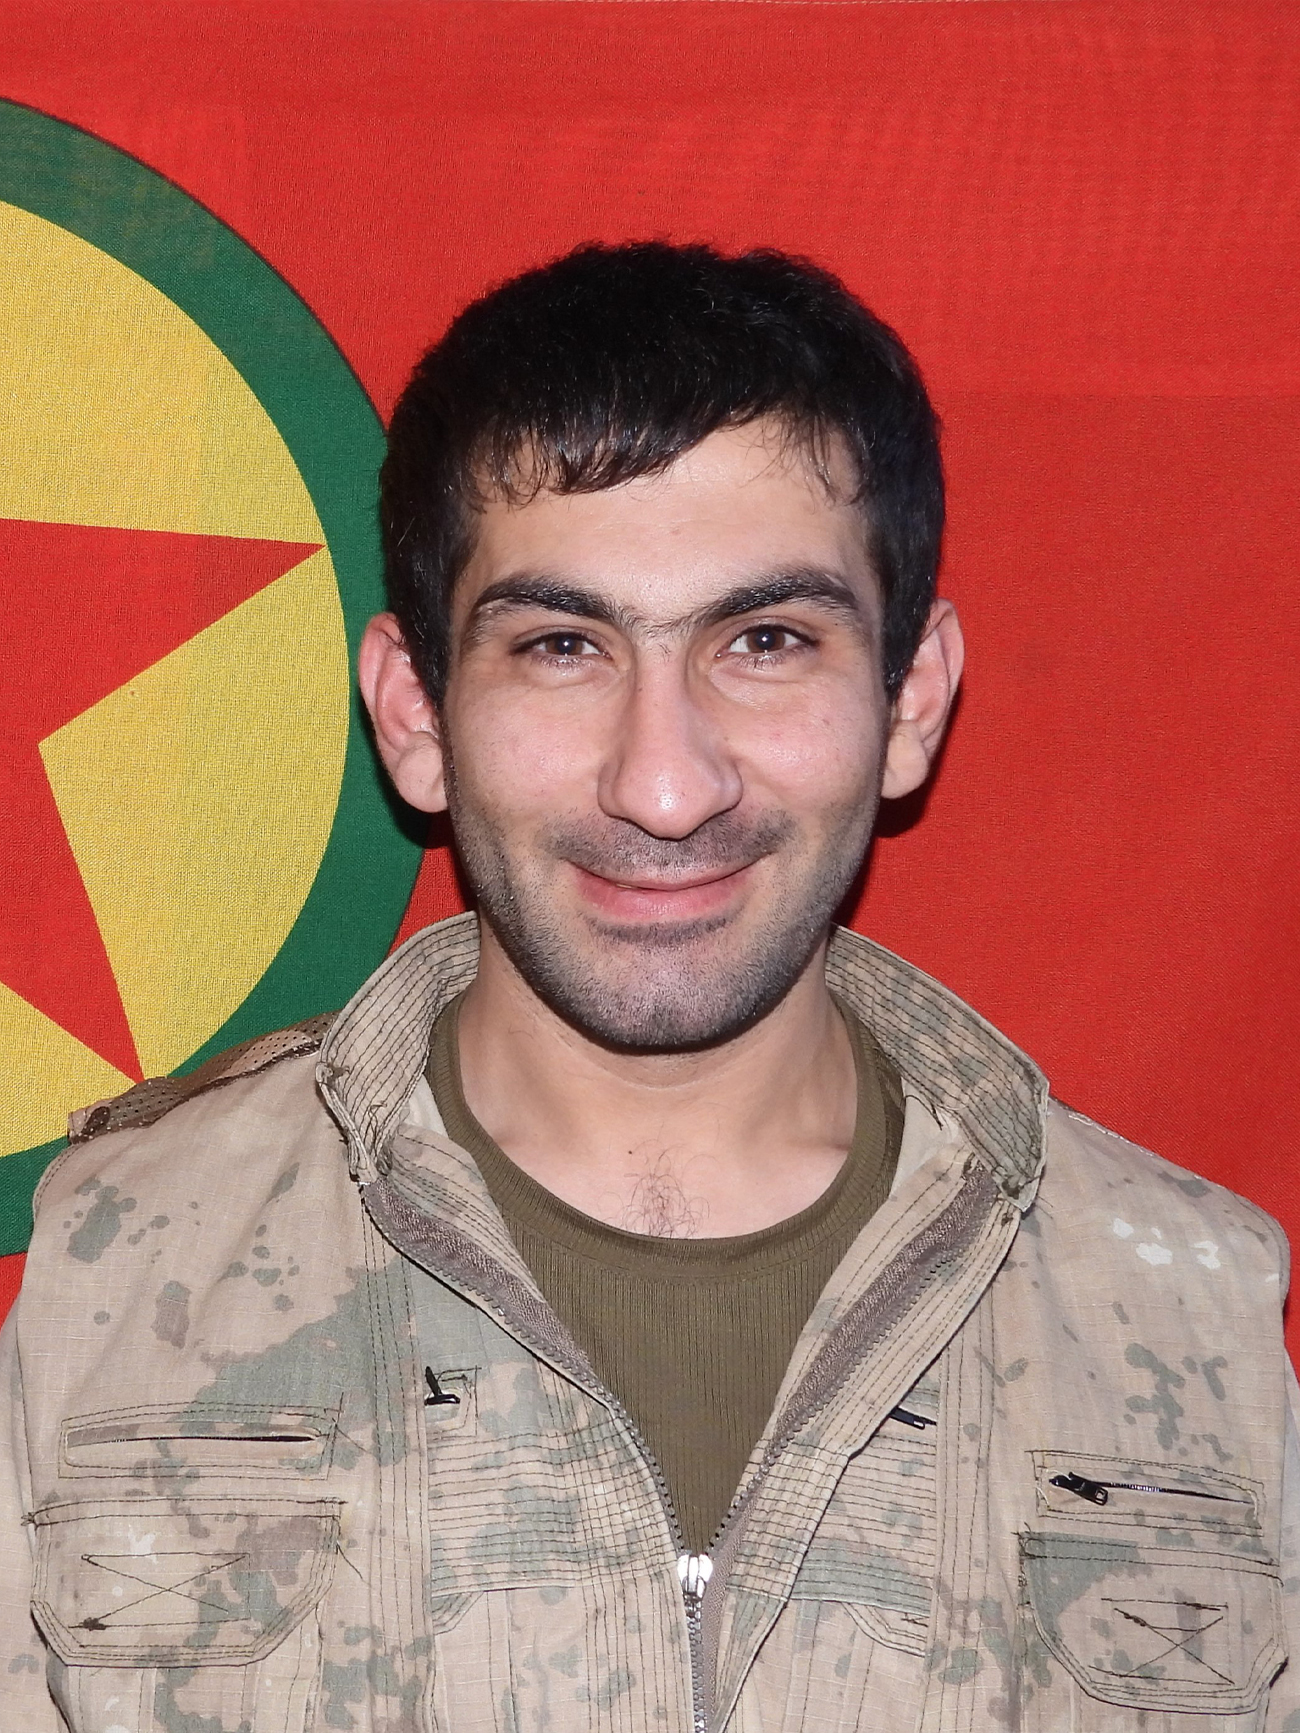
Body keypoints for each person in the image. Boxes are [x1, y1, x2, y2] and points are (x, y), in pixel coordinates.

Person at [2, 241, 1296, 1733]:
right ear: (416, 715)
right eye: (563, 646)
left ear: (910, 699)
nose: (665, 785)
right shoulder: (122, 1282)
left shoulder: (1186, 1325)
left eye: (766, 641)